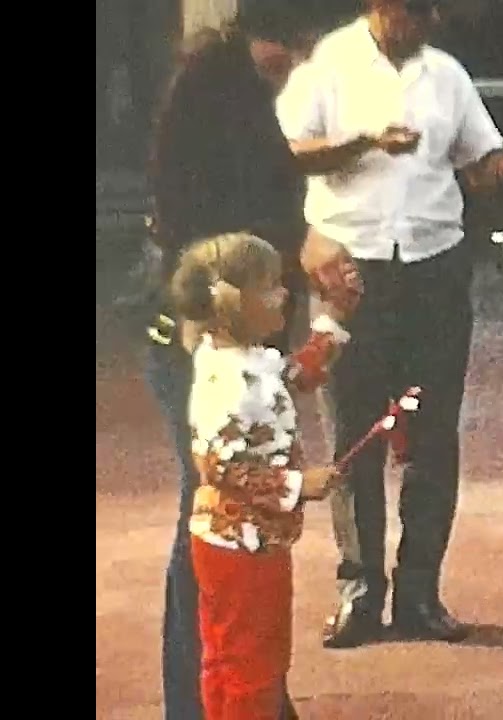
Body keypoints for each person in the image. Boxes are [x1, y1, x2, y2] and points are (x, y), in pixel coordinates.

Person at [277, 0, 503, 647]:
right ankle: (360, 590)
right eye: (412, 11)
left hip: (433, 265)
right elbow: (289, 150)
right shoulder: (330, 62)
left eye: (429, 12)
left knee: (433, 432)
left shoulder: (446, 73)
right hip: (351, 266)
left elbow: (477, 167)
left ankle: (420, 590)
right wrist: (365, 141)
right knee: (353, 432)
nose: (423, 23)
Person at [144, 3, 319, 717]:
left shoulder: (228, 95)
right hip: (197, 341)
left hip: (210, 332)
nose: (292, 68)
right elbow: (233, 472)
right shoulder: (218, 95)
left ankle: (221, 699)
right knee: (213, 529)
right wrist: (297, 485)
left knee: (211, 532)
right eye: (287, 53)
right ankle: (204, 703)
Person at [170, 231, 358, 720]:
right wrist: (297, 485)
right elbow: (217, 465)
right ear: (236, 304)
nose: (284, 294)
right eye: (271, 286)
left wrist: (333, 318)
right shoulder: (227, 381)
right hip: (242, 546)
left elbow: (297, 376)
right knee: (253, 664)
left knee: (229, 659)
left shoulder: (244, 358)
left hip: (245, 540)